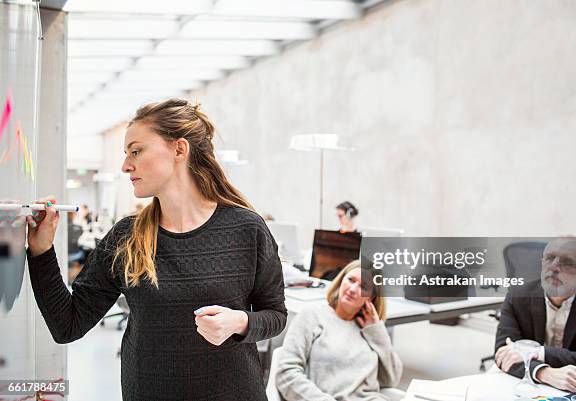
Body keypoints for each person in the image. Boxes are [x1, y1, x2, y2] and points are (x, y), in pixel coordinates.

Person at [25, 98, 287, 401]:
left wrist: (240, 322)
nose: (125, 165)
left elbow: (276, 315)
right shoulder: (127, 237)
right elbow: (67, 325)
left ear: (179, 149)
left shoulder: (246, 229)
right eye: (126, 154)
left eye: (136, 151)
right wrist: (42, 250)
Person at [495, 237, 576, 392]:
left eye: (568, 262)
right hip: (529, 385)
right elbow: (504, 353)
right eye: (549, 258)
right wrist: (544, 373)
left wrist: (539, 353)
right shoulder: (518, 296)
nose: (554, 267)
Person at [276, 260, 402, 400]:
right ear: (341, 281)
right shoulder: (312, 317)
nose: (353, 289)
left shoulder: (371, 330)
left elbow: (391, 380)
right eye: (350, 280)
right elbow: (286, 374)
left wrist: (377, 330)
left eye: (363, 287)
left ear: (371, 297)